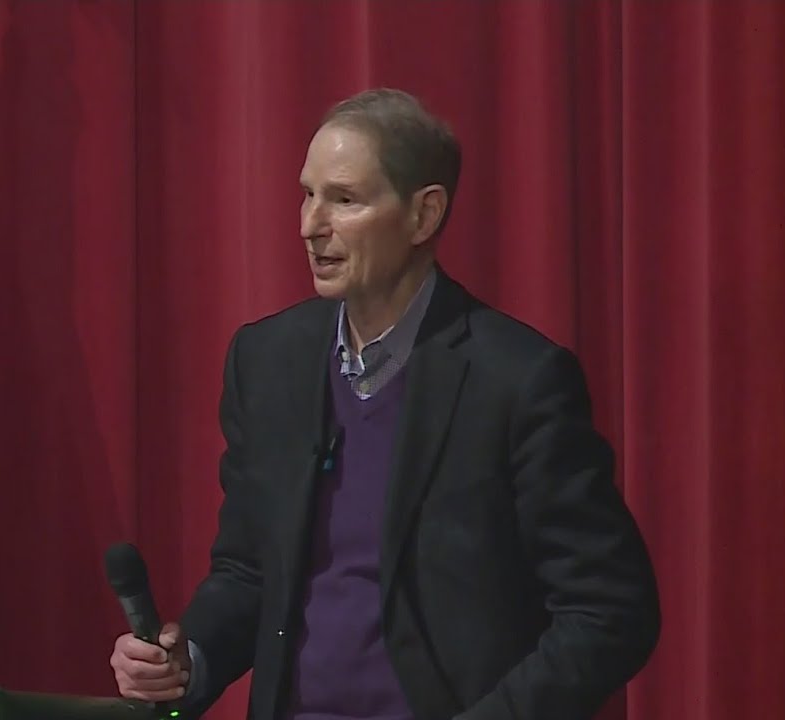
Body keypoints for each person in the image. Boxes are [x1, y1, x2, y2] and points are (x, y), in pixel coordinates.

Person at [108, 88, 660, 720]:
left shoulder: (516, 381)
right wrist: (187, 661)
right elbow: (251, 571)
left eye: (344, 200)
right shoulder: (267, 361)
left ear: (424, 215)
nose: (310, 225)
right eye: (307, 194)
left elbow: (610, 610)